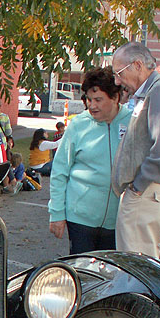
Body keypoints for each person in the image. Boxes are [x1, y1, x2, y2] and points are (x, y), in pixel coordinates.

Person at [110, 41, 160, 259]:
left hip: (145, 194)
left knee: (136, 267)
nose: (117, 81)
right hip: (152, 192)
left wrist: (137, 187)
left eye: (119, 73)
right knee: (142, 263)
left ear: (137, 65)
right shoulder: (158, 92)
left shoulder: (159, 92)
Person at [48, 67, 132, 253]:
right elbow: (60, 172)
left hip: (118, 220)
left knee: (112, 277)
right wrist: (57, 213)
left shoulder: (132, 122)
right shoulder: (78, 125)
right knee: (83, 276)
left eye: (98, 100)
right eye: (88, 99)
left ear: (115, 98)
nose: (91, 105)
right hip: (80, 219)